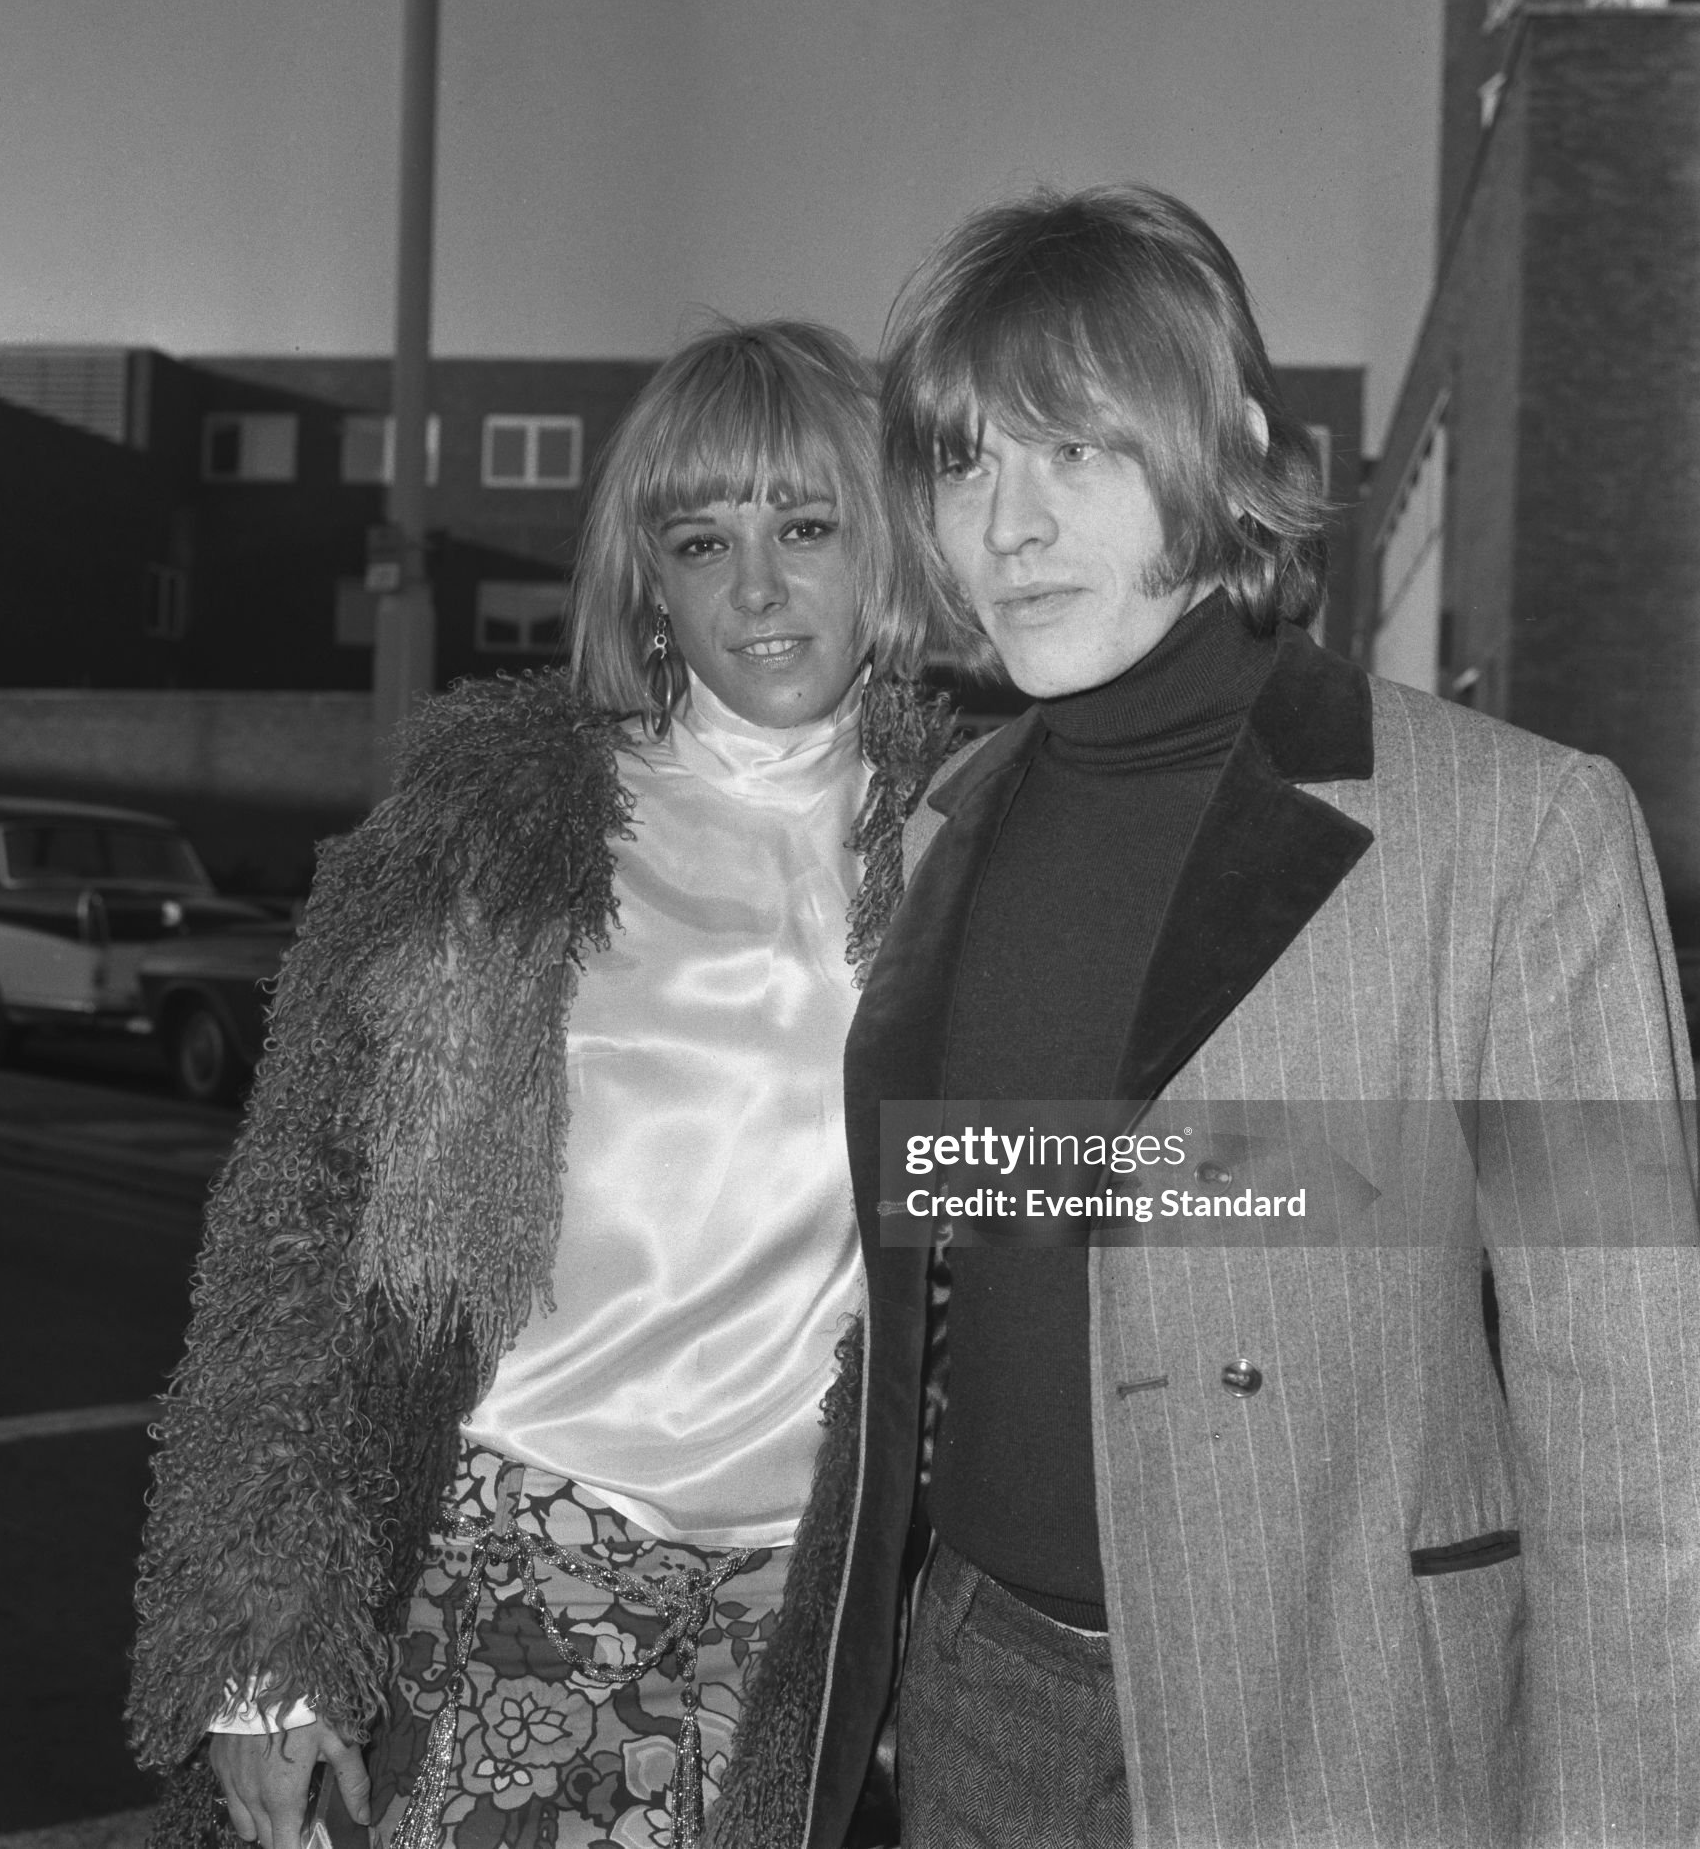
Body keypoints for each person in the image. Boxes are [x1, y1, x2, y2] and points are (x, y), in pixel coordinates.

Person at [804, 185, 1700, 1846]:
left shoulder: (1518, 830)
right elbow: (1015, 1213)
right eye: (963, 460)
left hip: (1342, 1704)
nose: (1010, 525)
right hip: (981, 1696)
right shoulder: (942, 822)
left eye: (1072, 449)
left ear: (1219, 449)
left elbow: (1647, 1426)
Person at [124, 320, 954, 1849]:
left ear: (891, 539)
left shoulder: (972, 834)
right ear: (648, 578)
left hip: (818, 1618)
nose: (757, 587)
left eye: (808, 525)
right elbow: (301, 1229)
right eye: (704, 539)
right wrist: (262, 1641)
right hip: (526, 1559)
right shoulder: (498, 828)